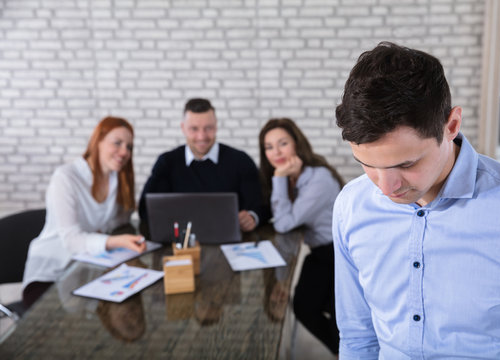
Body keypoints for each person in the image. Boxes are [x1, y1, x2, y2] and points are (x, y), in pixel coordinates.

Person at [333, 41, 500, 359]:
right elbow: (357, 337)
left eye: (406, 164)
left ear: (452, 126)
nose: (387, 188)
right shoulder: (351, 206)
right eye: (369, 165)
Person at [22, 117, 146, 309]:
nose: (124, 152)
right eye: (117, 143)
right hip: (52, 272)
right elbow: (72, 240)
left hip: (87, 269)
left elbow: (116, 222)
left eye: (129, 147)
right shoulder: (66, 177)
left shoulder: (116, 178)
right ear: (98, 141)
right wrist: (114, 241)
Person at [259, 118, 344, 355]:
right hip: (321, 252)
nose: (276, 152)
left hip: (340, 254)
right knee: (305, 306)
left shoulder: (318, 178)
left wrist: (278, 178)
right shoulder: (292, 177)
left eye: (282, 143)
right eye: (269, 147)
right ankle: (340, 352)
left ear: (297, 143)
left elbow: (285, 223)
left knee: (340, 321)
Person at [138, 98, 268, 237]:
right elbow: (146, 209)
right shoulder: (167, 162)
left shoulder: (240, 160)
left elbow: (262, 205)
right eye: (194, 129)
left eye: (208, 128)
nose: (202, 136)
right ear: (183, 128)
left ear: (216, 126)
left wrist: (252, 217)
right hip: (180, 244)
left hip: (230, 243)